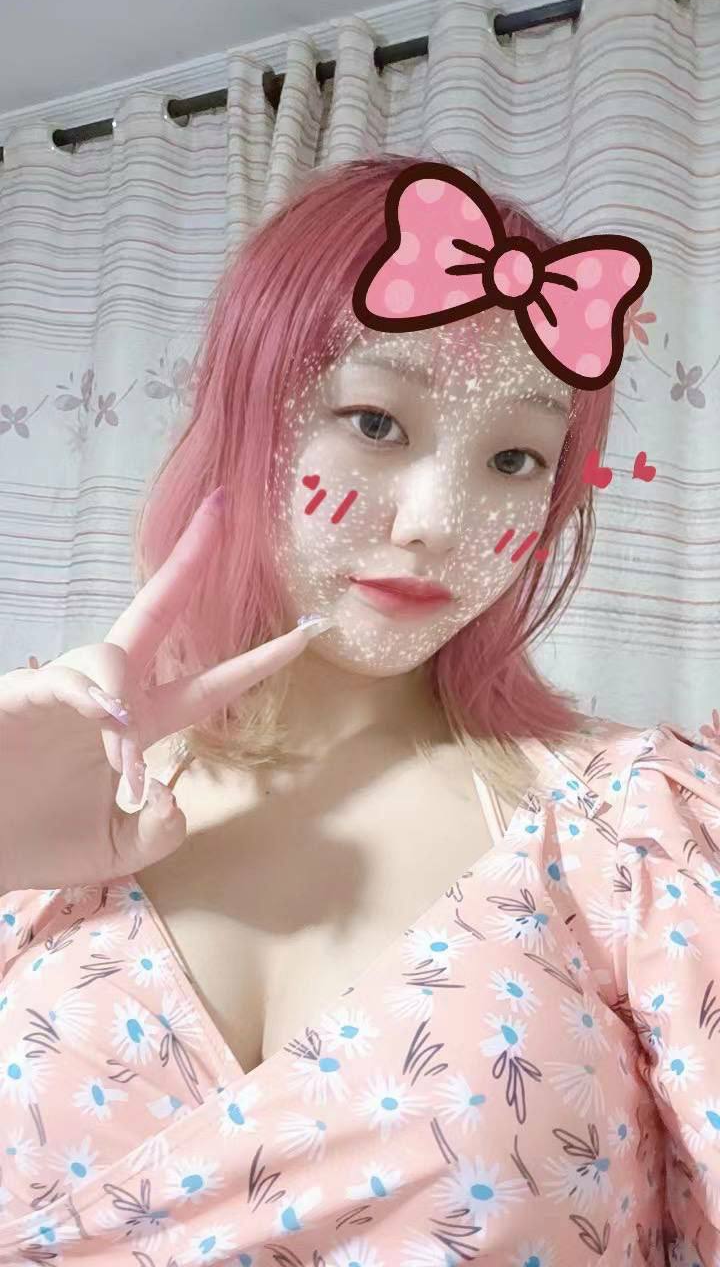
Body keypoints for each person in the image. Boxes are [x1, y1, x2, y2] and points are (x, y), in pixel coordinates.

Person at [0, 154, 718, 1265]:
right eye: (376, 422)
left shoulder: (638, 830)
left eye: (515, 457)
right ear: (245, 417)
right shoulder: (49, 787)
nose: (437, 521)